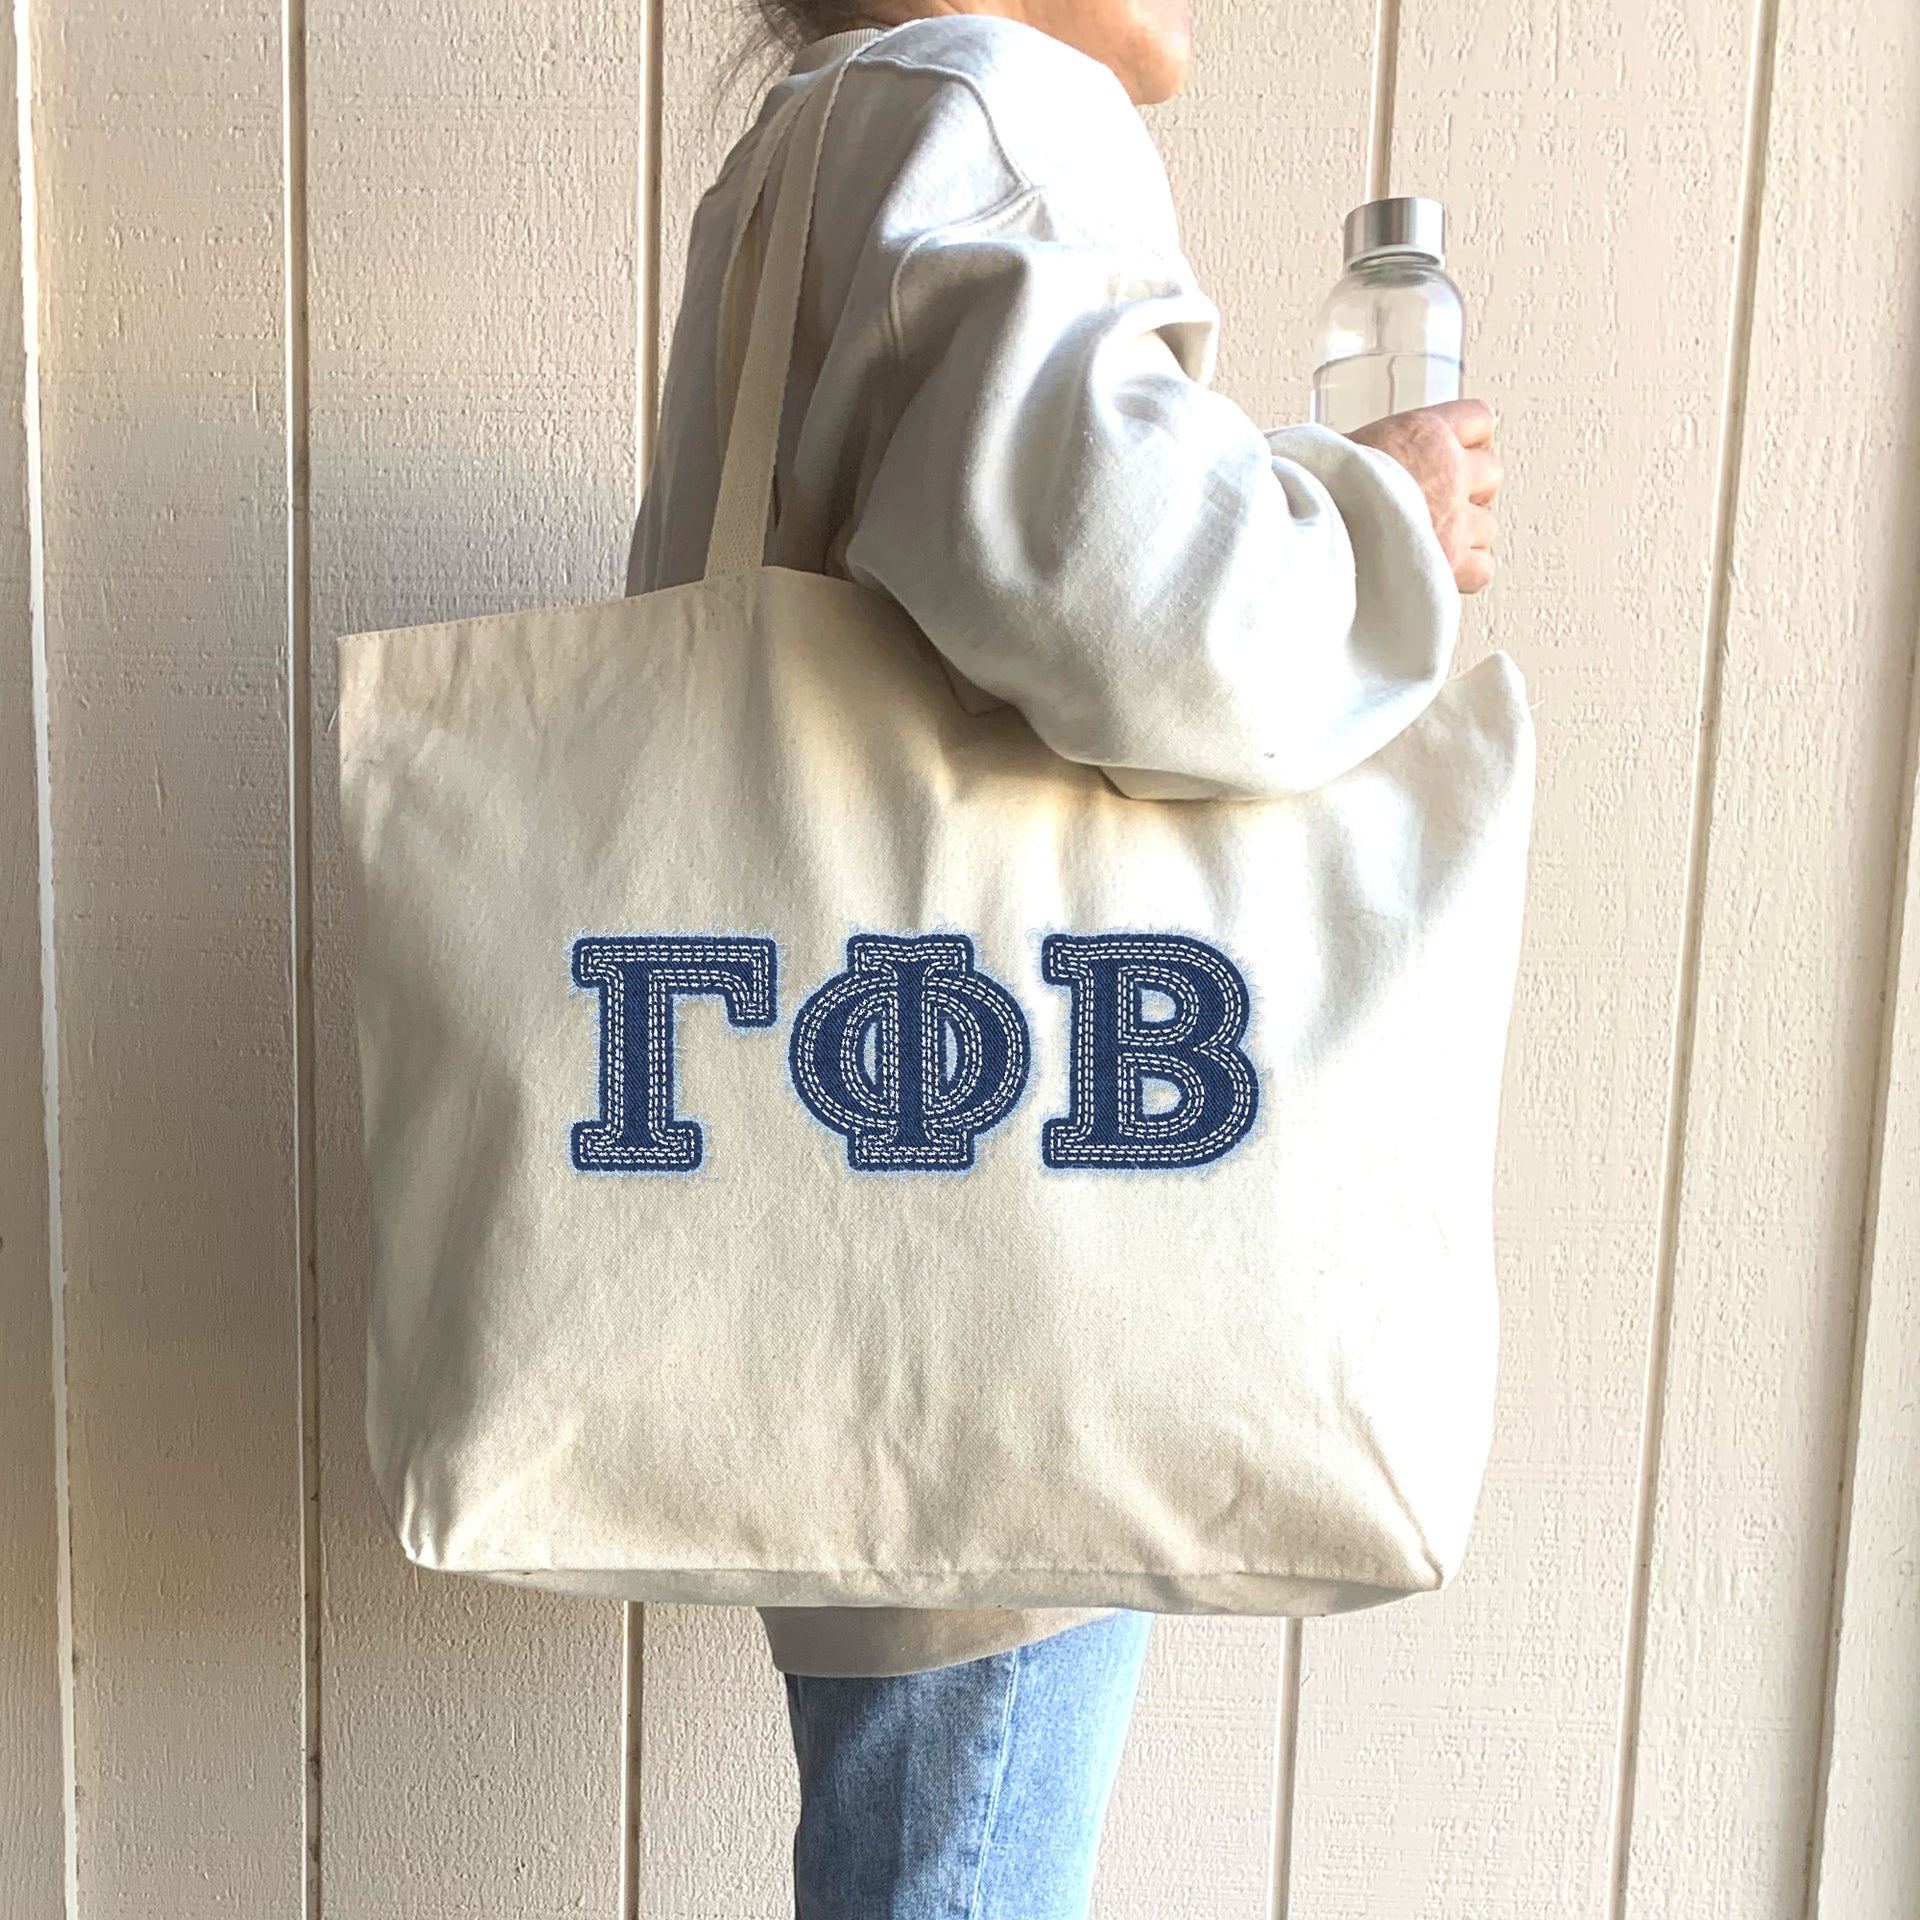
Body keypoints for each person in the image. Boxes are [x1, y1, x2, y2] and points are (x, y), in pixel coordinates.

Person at [626, 4, 1502, 1913]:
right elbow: (1145, 617)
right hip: (1012, 1226)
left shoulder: (815, 140)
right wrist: (1386, 525)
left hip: (859, 1195)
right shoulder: (998, 107)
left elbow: (998, 544)